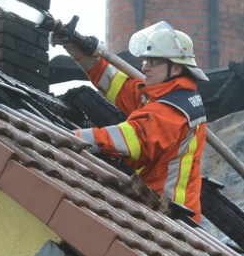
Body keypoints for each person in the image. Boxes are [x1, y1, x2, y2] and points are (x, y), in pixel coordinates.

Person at [57, 21, 208, 223]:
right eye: (146, 61)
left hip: (171, 220)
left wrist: (64, 136)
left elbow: (130, 139)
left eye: (154, 62)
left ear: (176, 68)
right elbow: (117, 84)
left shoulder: (172, 111)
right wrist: (78, 52)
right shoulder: (165, 97)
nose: (145, 67)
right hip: (157, 208)